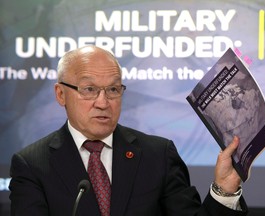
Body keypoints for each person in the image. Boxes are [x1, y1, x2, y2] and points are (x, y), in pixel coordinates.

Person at [9, 45, 248, 216]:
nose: (103, 102)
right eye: (89, 89)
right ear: (61, 94)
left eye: (113, 90)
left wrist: (224, 190)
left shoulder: (157, 155)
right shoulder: (32, 164)